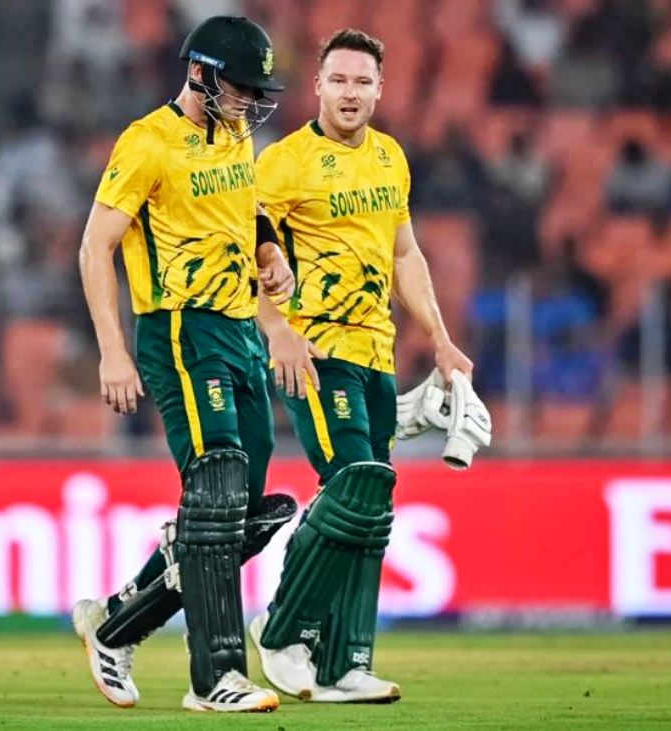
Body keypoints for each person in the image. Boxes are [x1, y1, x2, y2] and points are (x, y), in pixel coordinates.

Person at [72, 16, 294, 713]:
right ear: (199, 73)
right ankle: (215, 677)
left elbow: (247, 211)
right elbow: (95, 246)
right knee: (218, 486)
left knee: (238, 515)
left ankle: (116, 625)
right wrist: (113, 349)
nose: (249, 101)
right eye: (240, 87)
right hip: (179, 328)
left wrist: (269, 253)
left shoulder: (235, 133)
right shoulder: (147, 142)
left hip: (239, 330)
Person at [250, 28, 475, 703]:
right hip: (317, 351)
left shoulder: (390, 158)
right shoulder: (283, 164)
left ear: (380, 89)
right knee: (354, 483)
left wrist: (440, 338)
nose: (350, 92)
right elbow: (242, 249)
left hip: (377, 351)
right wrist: (277, 330)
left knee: (372, 502)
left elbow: (405, 254)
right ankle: (283, 633)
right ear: (318, 86)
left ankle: (347, 660)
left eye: (362, 81)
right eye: (339, 80)